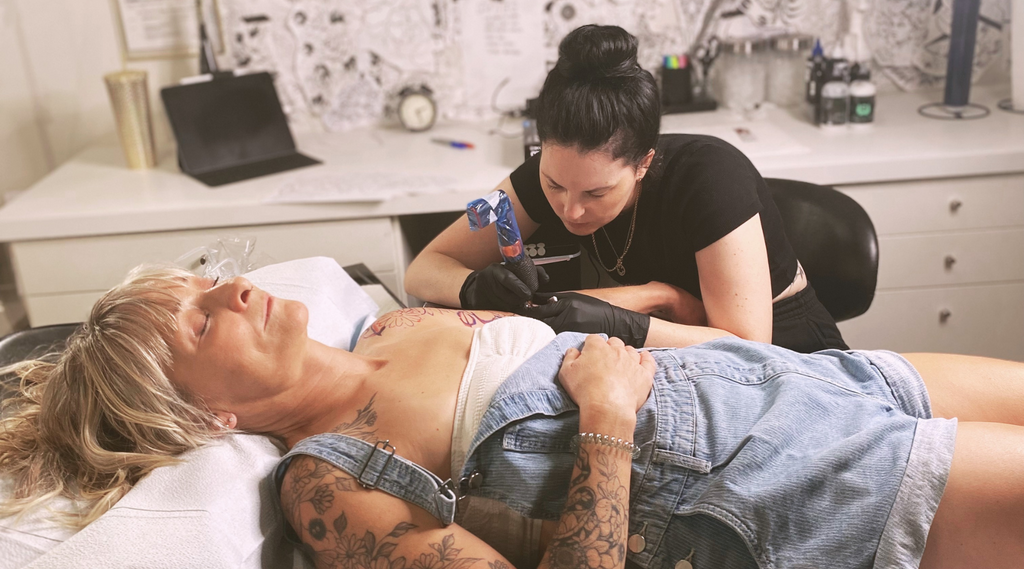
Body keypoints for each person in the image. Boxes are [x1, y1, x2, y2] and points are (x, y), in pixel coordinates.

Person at [3, 268, 1024, 568]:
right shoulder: (326, 481)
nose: (226, 287)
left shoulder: (395, 321)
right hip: (784, 485)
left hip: (807, 382)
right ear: (205, 408)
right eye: (192, 314)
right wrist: (605, 419)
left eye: (199, 278)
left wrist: (758, 351)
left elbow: (615, 351)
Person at [404, 24, 846, 354]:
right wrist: (474, 288)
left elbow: (747, 349)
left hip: (790, 354)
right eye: (554, 184)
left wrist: (627, 321)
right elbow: (424, 268)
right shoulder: (556, 170)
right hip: (673, 351)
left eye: (595, 194)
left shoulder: (710, 176)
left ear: (644, 164)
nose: (569, 210)